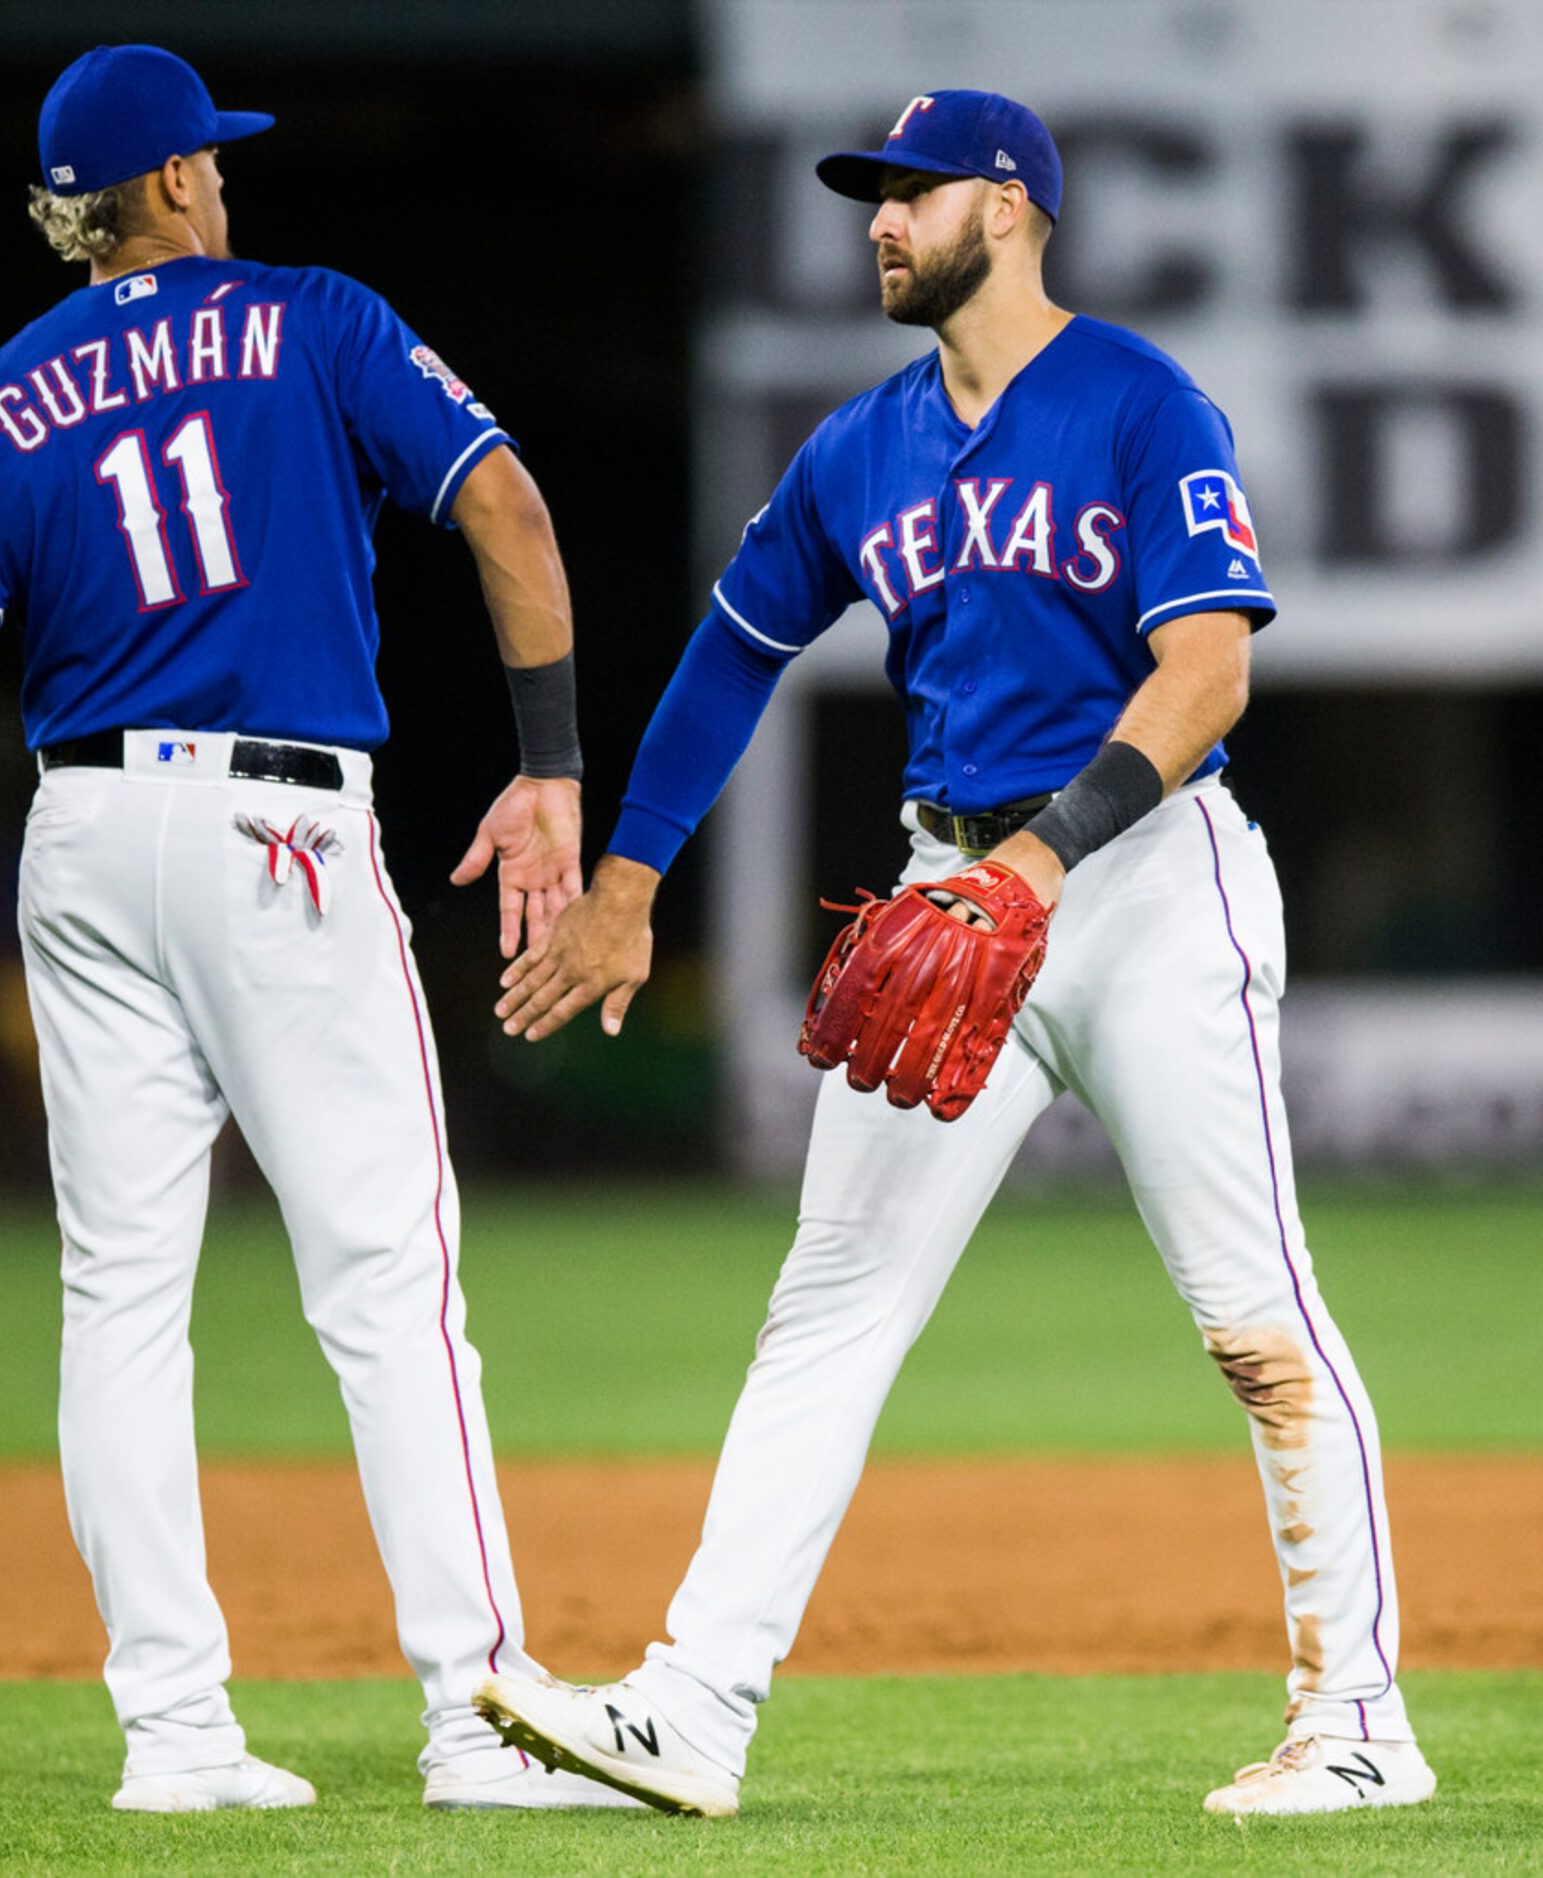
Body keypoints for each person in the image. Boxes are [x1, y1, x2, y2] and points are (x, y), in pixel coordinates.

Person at [474, 89, 1436, 1821]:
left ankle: (1359, 1716)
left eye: (909, 193)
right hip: (951, 891)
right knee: (825, 1311)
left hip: (1144, 886)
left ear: (1009, 205)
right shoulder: (862, 448)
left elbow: (1207, 672)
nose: (879, 221)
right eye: (872, 196)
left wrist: (1046, 865)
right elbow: (729, 653)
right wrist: (628, 874)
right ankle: (693, 1708)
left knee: (1253, 1318)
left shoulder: (1144, 405)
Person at [0, 43, 640, 1816]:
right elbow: (511, 507)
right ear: (169, 184)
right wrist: (549, 765)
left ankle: (174, 1735)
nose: (224, 181)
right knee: (388, 1276)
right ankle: (478, 1713)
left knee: (120, 1297)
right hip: (277, 827)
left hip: (78, 835)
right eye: (209, 163)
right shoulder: (313, 319)